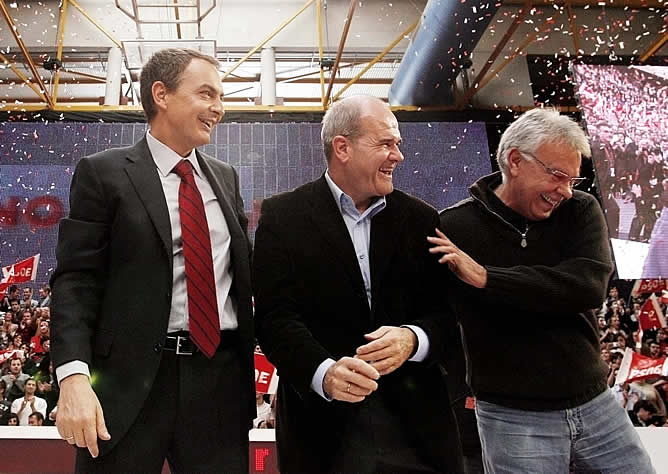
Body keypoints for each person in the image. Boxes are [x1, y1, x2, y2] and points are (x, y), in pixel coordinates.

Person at [50, 48, 255, 473]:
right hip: (125, 388)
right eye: (206, 94)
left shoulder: (226, 177)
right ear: (161, 94)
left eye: (221, 96)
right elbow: (75, 281)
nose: (219, 107)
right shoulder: (102, 174)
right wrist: (72, 377)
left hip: (217, 384)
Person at [428, 108, 654, 473]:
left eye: (573, 180)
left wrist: (488, 278)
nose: (565, 191)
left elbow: (587, 287)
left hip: (596, 404)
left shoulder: (581, 209)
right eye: (558, 176)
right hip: (511, 418)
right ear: (515, 160)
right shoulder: (453, 227)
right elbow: (437, 315)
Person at [253, 95, 463, 473]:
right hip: (322, 429)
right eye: (385, 143)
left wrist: (413, 339)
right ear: (342, 147)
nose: (397, 155)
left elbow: (448, 316)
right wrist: (324, 372)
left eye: (397, 143)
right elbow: (274, 318)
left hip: (418, 428)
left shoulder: (422, 220)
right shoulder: (282, 218)